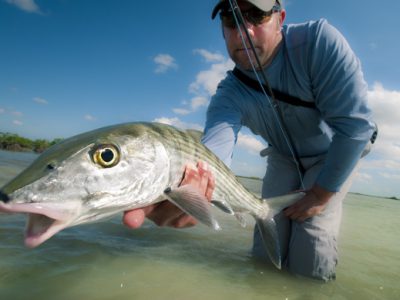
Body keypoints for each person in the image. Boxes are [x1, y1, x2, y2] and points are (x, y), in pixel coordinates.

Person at [123, 0, 376, 281]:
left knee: (312, 233)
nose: (243, 32)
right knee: (267, 236)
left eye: (256, 15)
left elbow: (355, 128)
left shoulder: (318, 42)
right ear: (222, 30)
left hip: (335, 152)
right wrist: (191, 188)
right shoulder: (228, 95)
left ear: (280, 18)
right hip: (282, 156)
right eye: (232, 19)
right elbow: (211, 157)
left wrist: (320, 194)